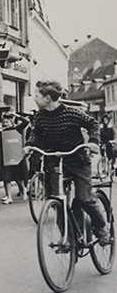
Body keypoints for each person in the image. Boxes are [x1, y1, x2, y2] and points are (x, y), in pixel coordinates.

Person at [25, 80, 111, 246]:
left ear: (48, 98)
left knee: (84, 198)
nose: (34, 99)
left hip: (78, 160)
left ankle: (102, 227)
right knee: (57, 201)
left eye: (36, 95)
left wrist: (93, 141)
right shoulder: (40, 116)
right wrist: (29, 145)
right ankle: (68, 239)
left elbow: (92, 123)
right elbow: (36, 133)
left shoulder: (71, 113)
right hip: (56, 161)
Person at [0, 112, 28, 205]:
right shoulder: (2, 132)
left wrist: (15, 115)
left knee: (18, 178)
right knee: (6, 178)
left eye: (7, 122)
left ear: (11, 122)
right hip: (6, 157)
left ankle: (23, 190)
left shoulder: (17, 129)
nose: (5, 124)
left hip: (16, 157)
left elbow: (26, 122)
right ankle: (9, 196)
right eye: (4, 122)